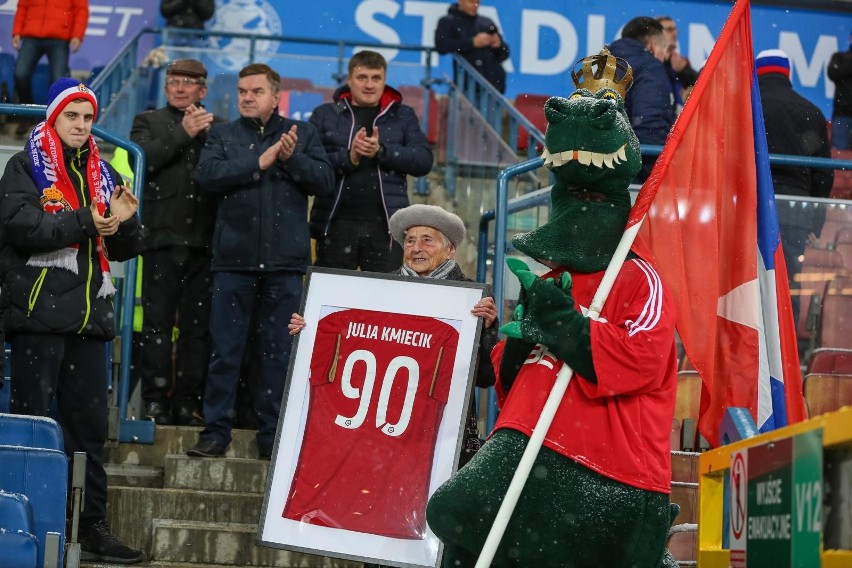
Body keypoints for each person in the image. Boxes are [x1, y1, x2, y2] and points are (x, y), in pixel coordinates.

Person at [425, 49, 679, 568]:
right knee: (458, 523)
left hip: (608, 465)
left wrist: (564, 325)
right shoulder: (545, 278)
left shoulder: (641, 276)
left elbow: (643, 359)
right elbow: (509, 381)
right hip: (522, 441)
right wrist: (518, 341)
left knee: (464, 514)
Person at [0, 78, 143, 564]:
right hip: (38, 320)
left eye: (87, 118)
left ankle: (90, 527)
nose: (81, 126)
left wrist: (126, 220)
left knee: (87, 433)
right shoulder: (24, 167)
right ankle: (24, 524)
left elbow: (123, 247)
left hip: (89, 324)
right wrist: (87, 220)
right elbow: (22, 229)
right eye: (72, 117)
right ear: (53, 119)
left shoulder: (104, 173)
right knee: (31, 427)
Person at [185, 63, 333, 460]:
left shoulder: (302, 135)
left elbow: (324, 182)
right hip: (232, 263)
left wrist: (291, 160)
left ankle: (272, 437)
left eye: (255, 91)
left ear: (275, 96)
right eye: (241, 91)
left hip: (285, 266)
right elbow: (208, 176)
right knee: (225, 352)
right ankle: (215, 433)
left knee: (278, 355)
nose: (246, 97)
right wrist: (259, 163)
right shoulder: (223, 133)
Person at [292, 204, 498, 463]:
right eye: (410, 241)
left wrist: (488, 332)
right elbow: (348, 346)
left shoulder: (473, 299)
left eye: (427, 240)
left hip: (440, 432)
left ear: (451, 250)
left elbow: (486, 378)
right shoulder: (379, 291)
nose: (416, 248)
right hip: (384, 428)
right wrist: (310, 328)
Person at [130, 58, 224, 426]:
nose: (180, 88)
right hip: (160, 240)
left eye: (189, 82)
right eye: (174, 80)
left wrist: (203, 134)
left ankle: (187, 402)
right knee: (156, 324)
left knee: (196, 331)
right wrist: (183, 133)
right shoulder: (147, 122)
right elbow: (142, 162)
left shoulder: (218, 127)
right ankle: (155, 402)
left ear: (203, 90)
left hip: (205, 243)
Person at [309, 50, 434, 273]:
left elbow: (424, 161)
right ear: (349, 80)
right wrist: (349, 157)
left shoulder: (403, 115)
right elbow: (310, 166)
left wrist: (382, 151)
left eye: (376, 78)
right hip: (335, 225)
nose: (369, 85)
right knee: (332, 298)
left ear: (384, 81)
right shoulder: (324, 114)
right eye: (362, 77)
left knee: (383, 303)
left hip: (387, 229)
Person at [756, 49, 834, 326]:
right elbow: (822, 172)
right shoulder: (809, 111)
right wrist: (815, 218)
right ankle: (788, 355)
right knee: (787, 280)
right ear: (787, 73)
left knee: (746, 276)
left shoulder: (745, 106)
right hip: (796, 207)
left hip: (750, 202)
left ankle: (746, 353)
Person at [608, 16, 675, 182]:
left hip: (594, 165)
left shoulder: (601, 63)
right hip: (631, 175)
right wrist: (653, 176)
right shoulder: (650, 66)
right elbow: (650, 124)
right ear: (653, 45)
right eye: (663, 50)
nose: (663, 58)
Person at [11, 0, 88, 136]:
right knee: (20, 74)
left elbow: (81, 9)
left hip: (60, 37)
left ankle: (53, 123)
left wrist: (77, 35)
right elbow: (23, 6)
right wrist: (17, 31)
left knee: (59, 83)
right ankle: (27, 115)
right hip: (31, 35)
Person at [434, 0, 511, 94]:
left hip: (493, 88)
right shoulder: (448, 21)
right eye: (471, 2)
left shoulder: (486, 22)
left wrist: (498, 45)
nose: (475, 5)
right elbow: (442, 46)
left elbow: (504, 54)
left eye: (477, 2)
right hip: (467, 86)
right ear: (461, 1)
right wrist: (472, 42)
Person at [655, 16, 699, 113]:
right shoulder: (649, 60)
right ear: (656, 33)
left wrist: (684, 70)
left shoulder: (680, 62)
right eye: (669, 29)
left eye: (675, 30)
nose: (674, 33)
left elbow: (700, 90)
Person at [828, 32, 852, 150]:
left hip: (842, 113)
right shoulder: (839, 57)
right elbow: (833, 73)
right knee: (838, 157)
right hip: (843, 113)